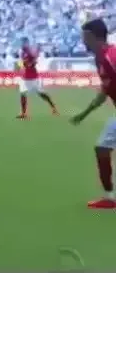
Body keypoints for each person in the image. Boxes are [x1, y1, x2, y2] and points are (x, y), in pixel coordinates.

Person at [71, 19, 116, 209]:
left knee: (102, 148)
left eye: (85, 37)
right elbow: (104, 92)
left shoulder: (112, 55)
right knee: (102, 148)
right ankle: (109, 198)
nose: (83, 42)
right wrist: (84, 114)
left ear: (92, 36)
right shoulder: (100, 59)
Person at [16, 38, 58, 119]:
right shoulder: (22, 52)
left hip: (33, 77)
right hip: (25, 77)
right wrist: (22, 66)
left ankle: (53, 107)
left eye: (23, 42)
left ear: (27, 43)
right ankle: (24, 113)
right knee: (23, 94)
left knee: (41, 94)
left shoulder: (30, 51)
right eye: (21, 42)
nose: (22, 44)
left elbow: (34, 61)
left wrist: (29, 64)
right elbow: (22, 63)